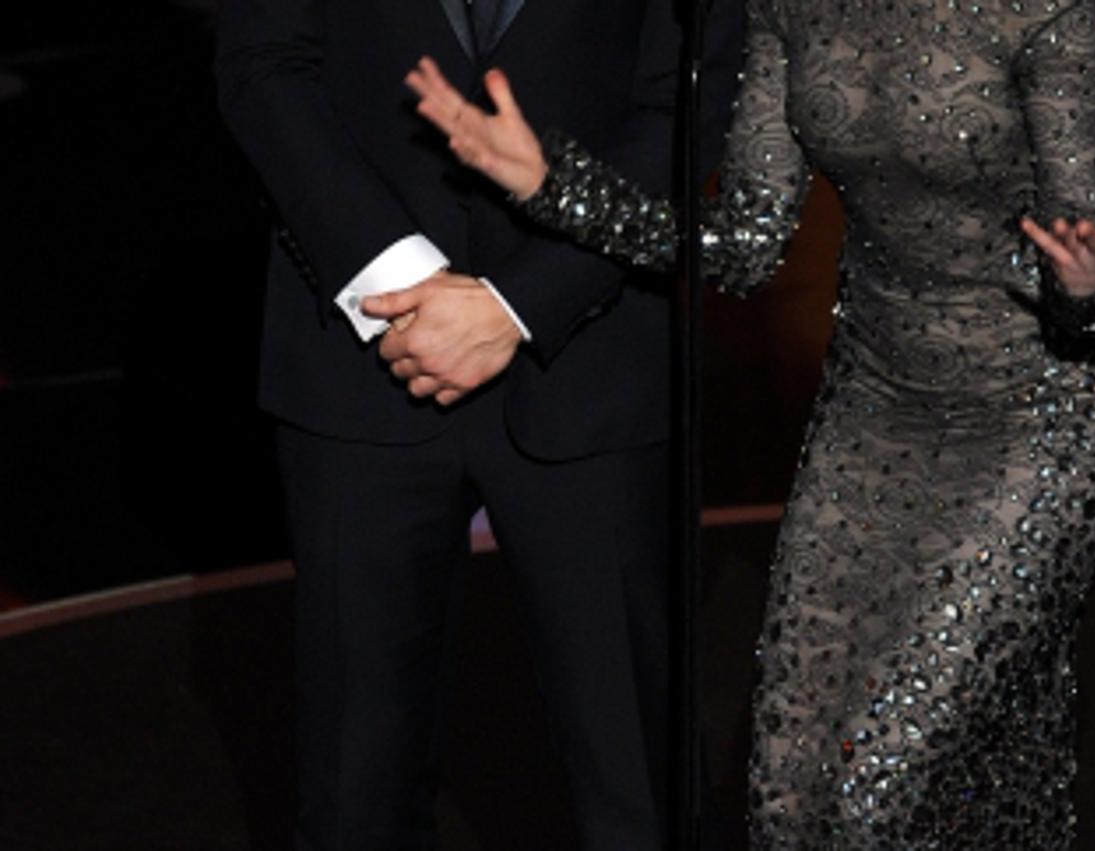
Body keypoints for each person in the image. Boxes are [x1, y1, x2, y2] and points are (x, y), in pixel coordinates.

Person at [403, 0, 1095, 846]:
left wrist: (1093, 287)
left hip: (1045, 409)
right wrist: (553, 187)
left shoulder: (1046, 12)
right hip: (878, 403)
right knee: (786, 797)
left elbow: (1089, 294)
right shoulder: (788, 6)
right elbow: (748, 243)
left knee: (878, 777)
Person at [214, 1, 742, 848]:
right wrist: (399, 281)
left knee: (636, 787)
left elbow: (689, 106)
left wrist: (518, 303)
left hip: (593, 358)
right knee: (355, 788)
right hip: (358, 360)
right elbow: (264, 63)